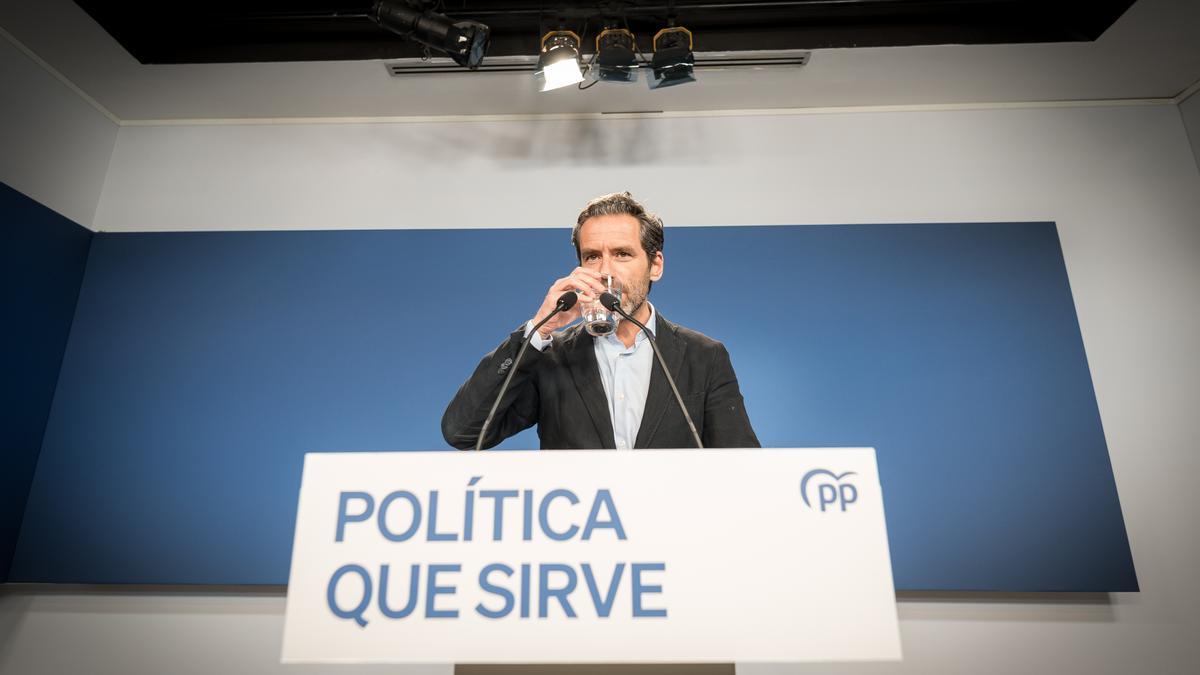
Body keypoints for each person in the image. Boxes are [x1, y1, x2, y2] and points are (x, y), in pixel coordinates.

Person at [441, 192, 759, 450]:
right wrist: (539, 328)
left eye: (622, 254)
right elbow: (462, 431)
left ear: (655, 265)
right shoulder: (550, 356)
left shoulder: (703, 356)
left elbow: (742, 465)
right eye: (592, 256)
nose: (605, 270)